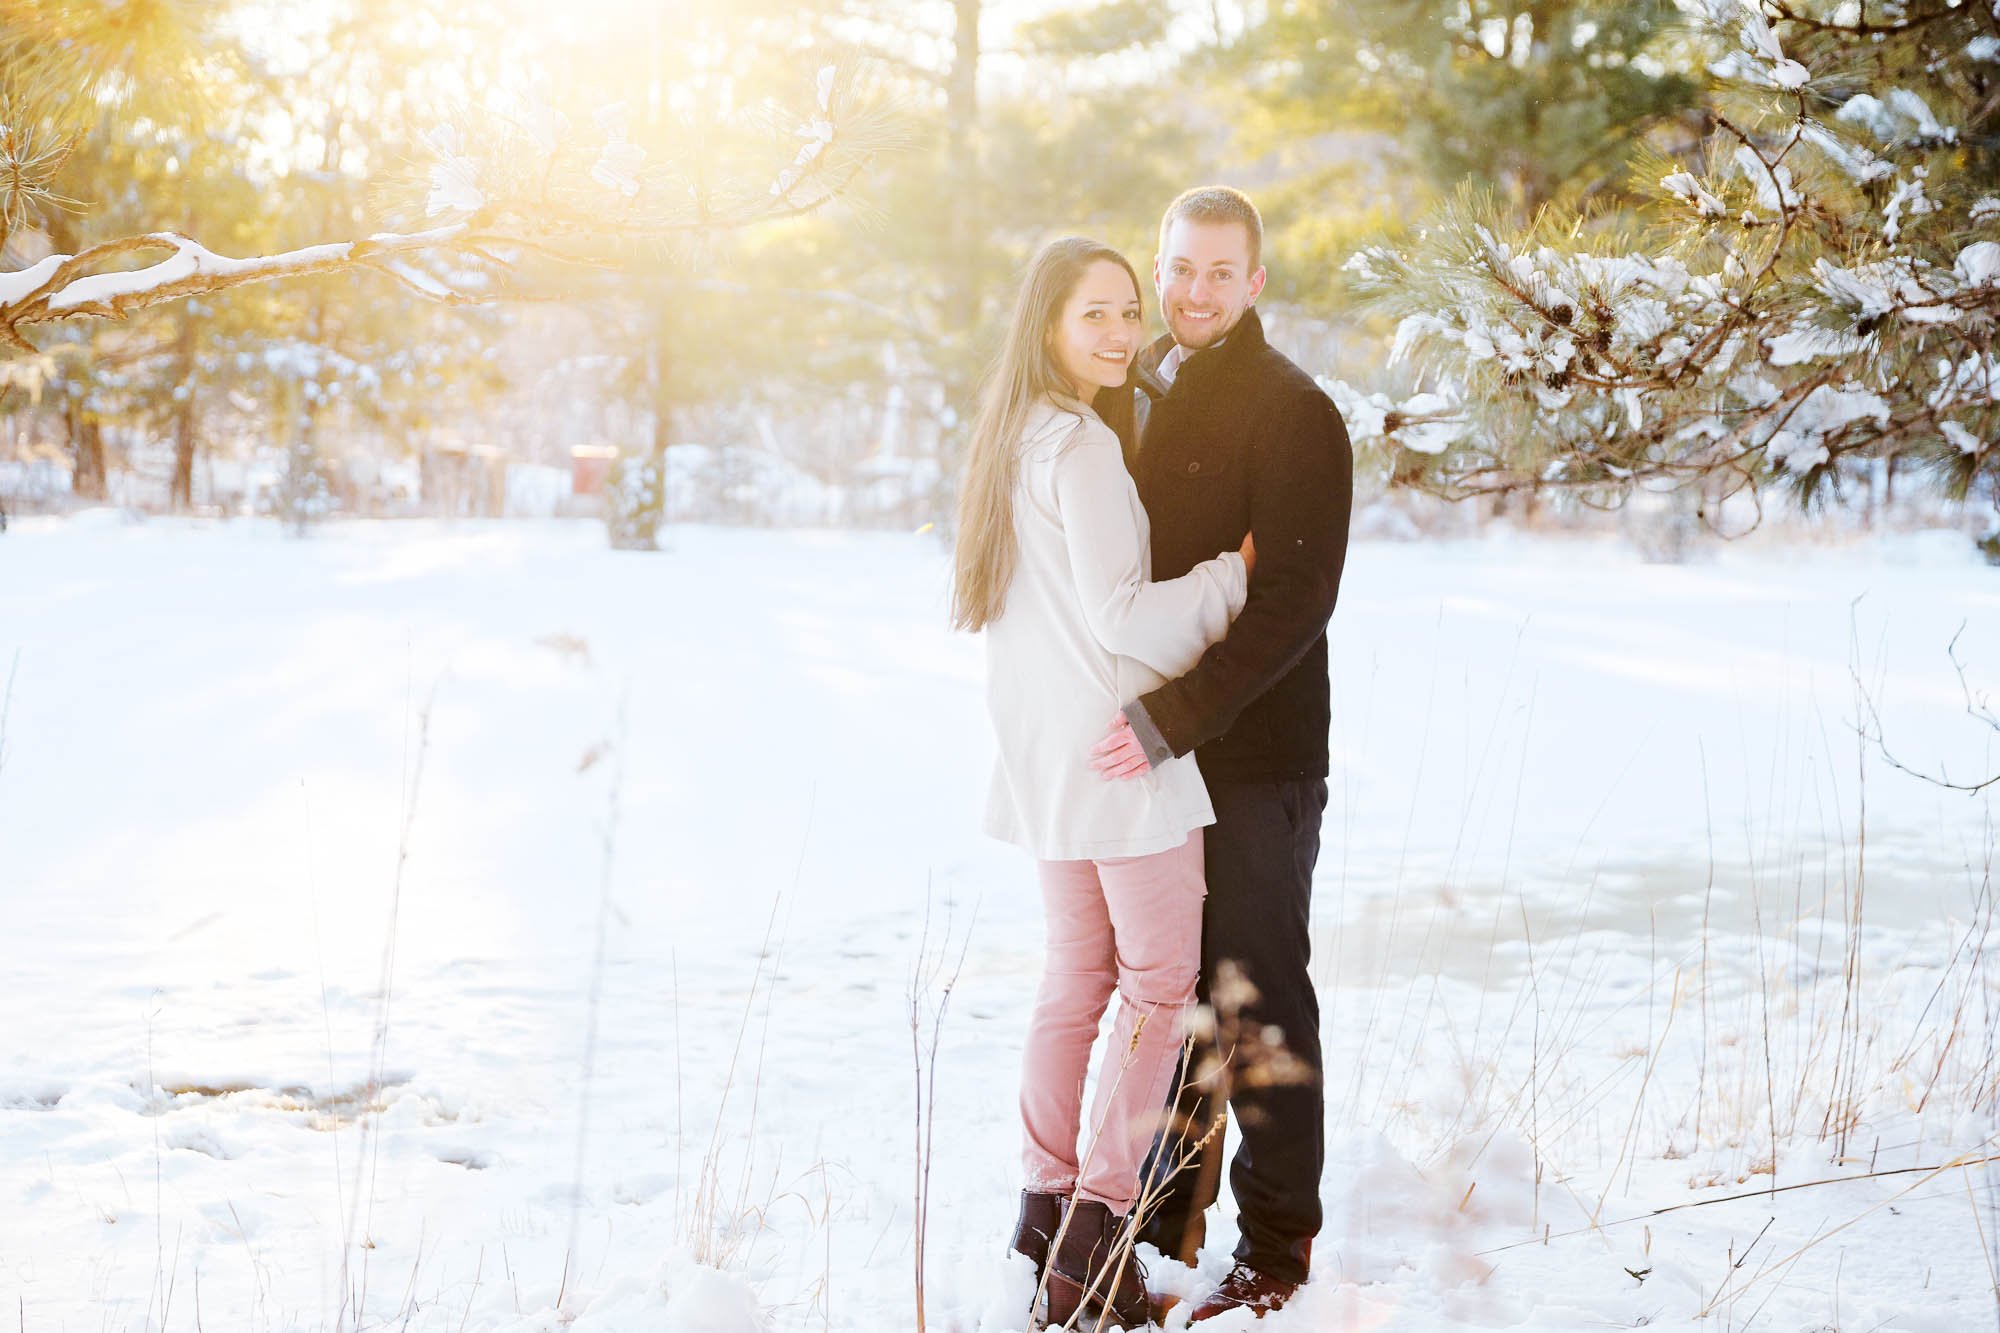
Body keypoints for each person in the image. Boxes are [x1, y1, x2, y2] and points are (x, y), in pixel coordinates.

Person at [952, 235, 1256, 1330]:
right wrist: (1234, 574)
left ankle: (1038, 1221)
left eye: (1130, 312)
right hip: (1115, 753)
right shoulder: (1075, 444)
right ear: (1047, 324)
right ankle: (1098, 1231)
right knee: (1156, 982)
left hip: (1040, 751)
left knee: (1074, 973)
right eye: (1097, 315)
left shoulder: (1008, 438)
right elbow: (1122, 616)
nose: (1124, 333)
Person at [1089, 186, 1354, 1321]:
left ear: (1254, 282)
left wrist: (1174, 716)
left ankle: (1276, 1253)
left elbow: (1291, 601)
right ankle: (1157, 1234)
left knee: (1252, 1000)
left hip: (1251, 754)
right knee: (1168, 993)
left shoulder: (1295, 411)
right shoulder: (1127, 388)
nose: (1193, 291)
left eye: (1218, 272)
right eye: (1179, 268)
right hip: (1149, 749)